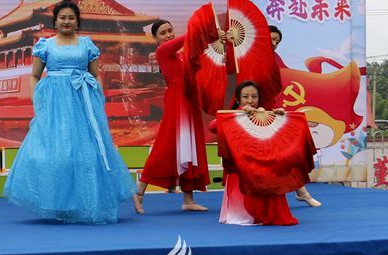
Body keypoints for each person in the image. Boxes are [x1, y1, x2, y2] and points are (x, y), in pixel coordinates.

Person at [3, 0, 134, 224]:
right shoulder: (45, 45)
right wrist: (38, 100)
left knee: (87, 154)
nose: (67, 21)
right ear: (55, 21)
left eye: (71, 17)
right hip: (55, 104)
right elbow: (34, 76)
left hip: (83, 103)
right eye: (62, 17)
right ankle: (59, 204)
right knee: (58, 154)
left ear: (77, 21)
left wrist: (98, 99)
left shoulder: (87, 45)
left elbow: (96, 75)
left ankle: (87, 204)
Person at [133, 19, 212, 214]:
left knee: (190, 148)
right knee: (165, 146)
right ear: (155, 38)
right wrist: (200, 31)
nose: (168, 34)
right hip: (177, 103)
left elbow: (198, 52)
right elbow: (189, 39)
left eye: (170, 30)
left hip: (189, 102)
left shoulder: (181, 56)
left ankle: (188, 200)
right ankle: (139, 191)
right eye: (163, 33)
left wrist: (216, 38)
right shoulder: (162, 52)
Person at [216, 81, 308, 226]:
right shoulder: (233, 116)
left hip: (261, 164)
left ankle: (269, 212)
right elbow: (213, 126)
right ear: (238, 100)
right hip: (241, 166)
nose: (250, 100)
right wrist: (240, 112)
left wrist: (281, 118)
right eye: (245, 97)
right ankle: (247, 213)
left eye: (254, 96)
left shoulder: (264, 114)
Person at [268, 24, 321, 207]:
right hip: (249, 111)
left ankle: (301, 190)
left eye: (276, 41)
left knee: (285, 152)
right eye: (271, 38)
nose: (273, 43)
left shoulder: (275, 60)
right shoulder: (249, 56)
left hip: (270, 112)